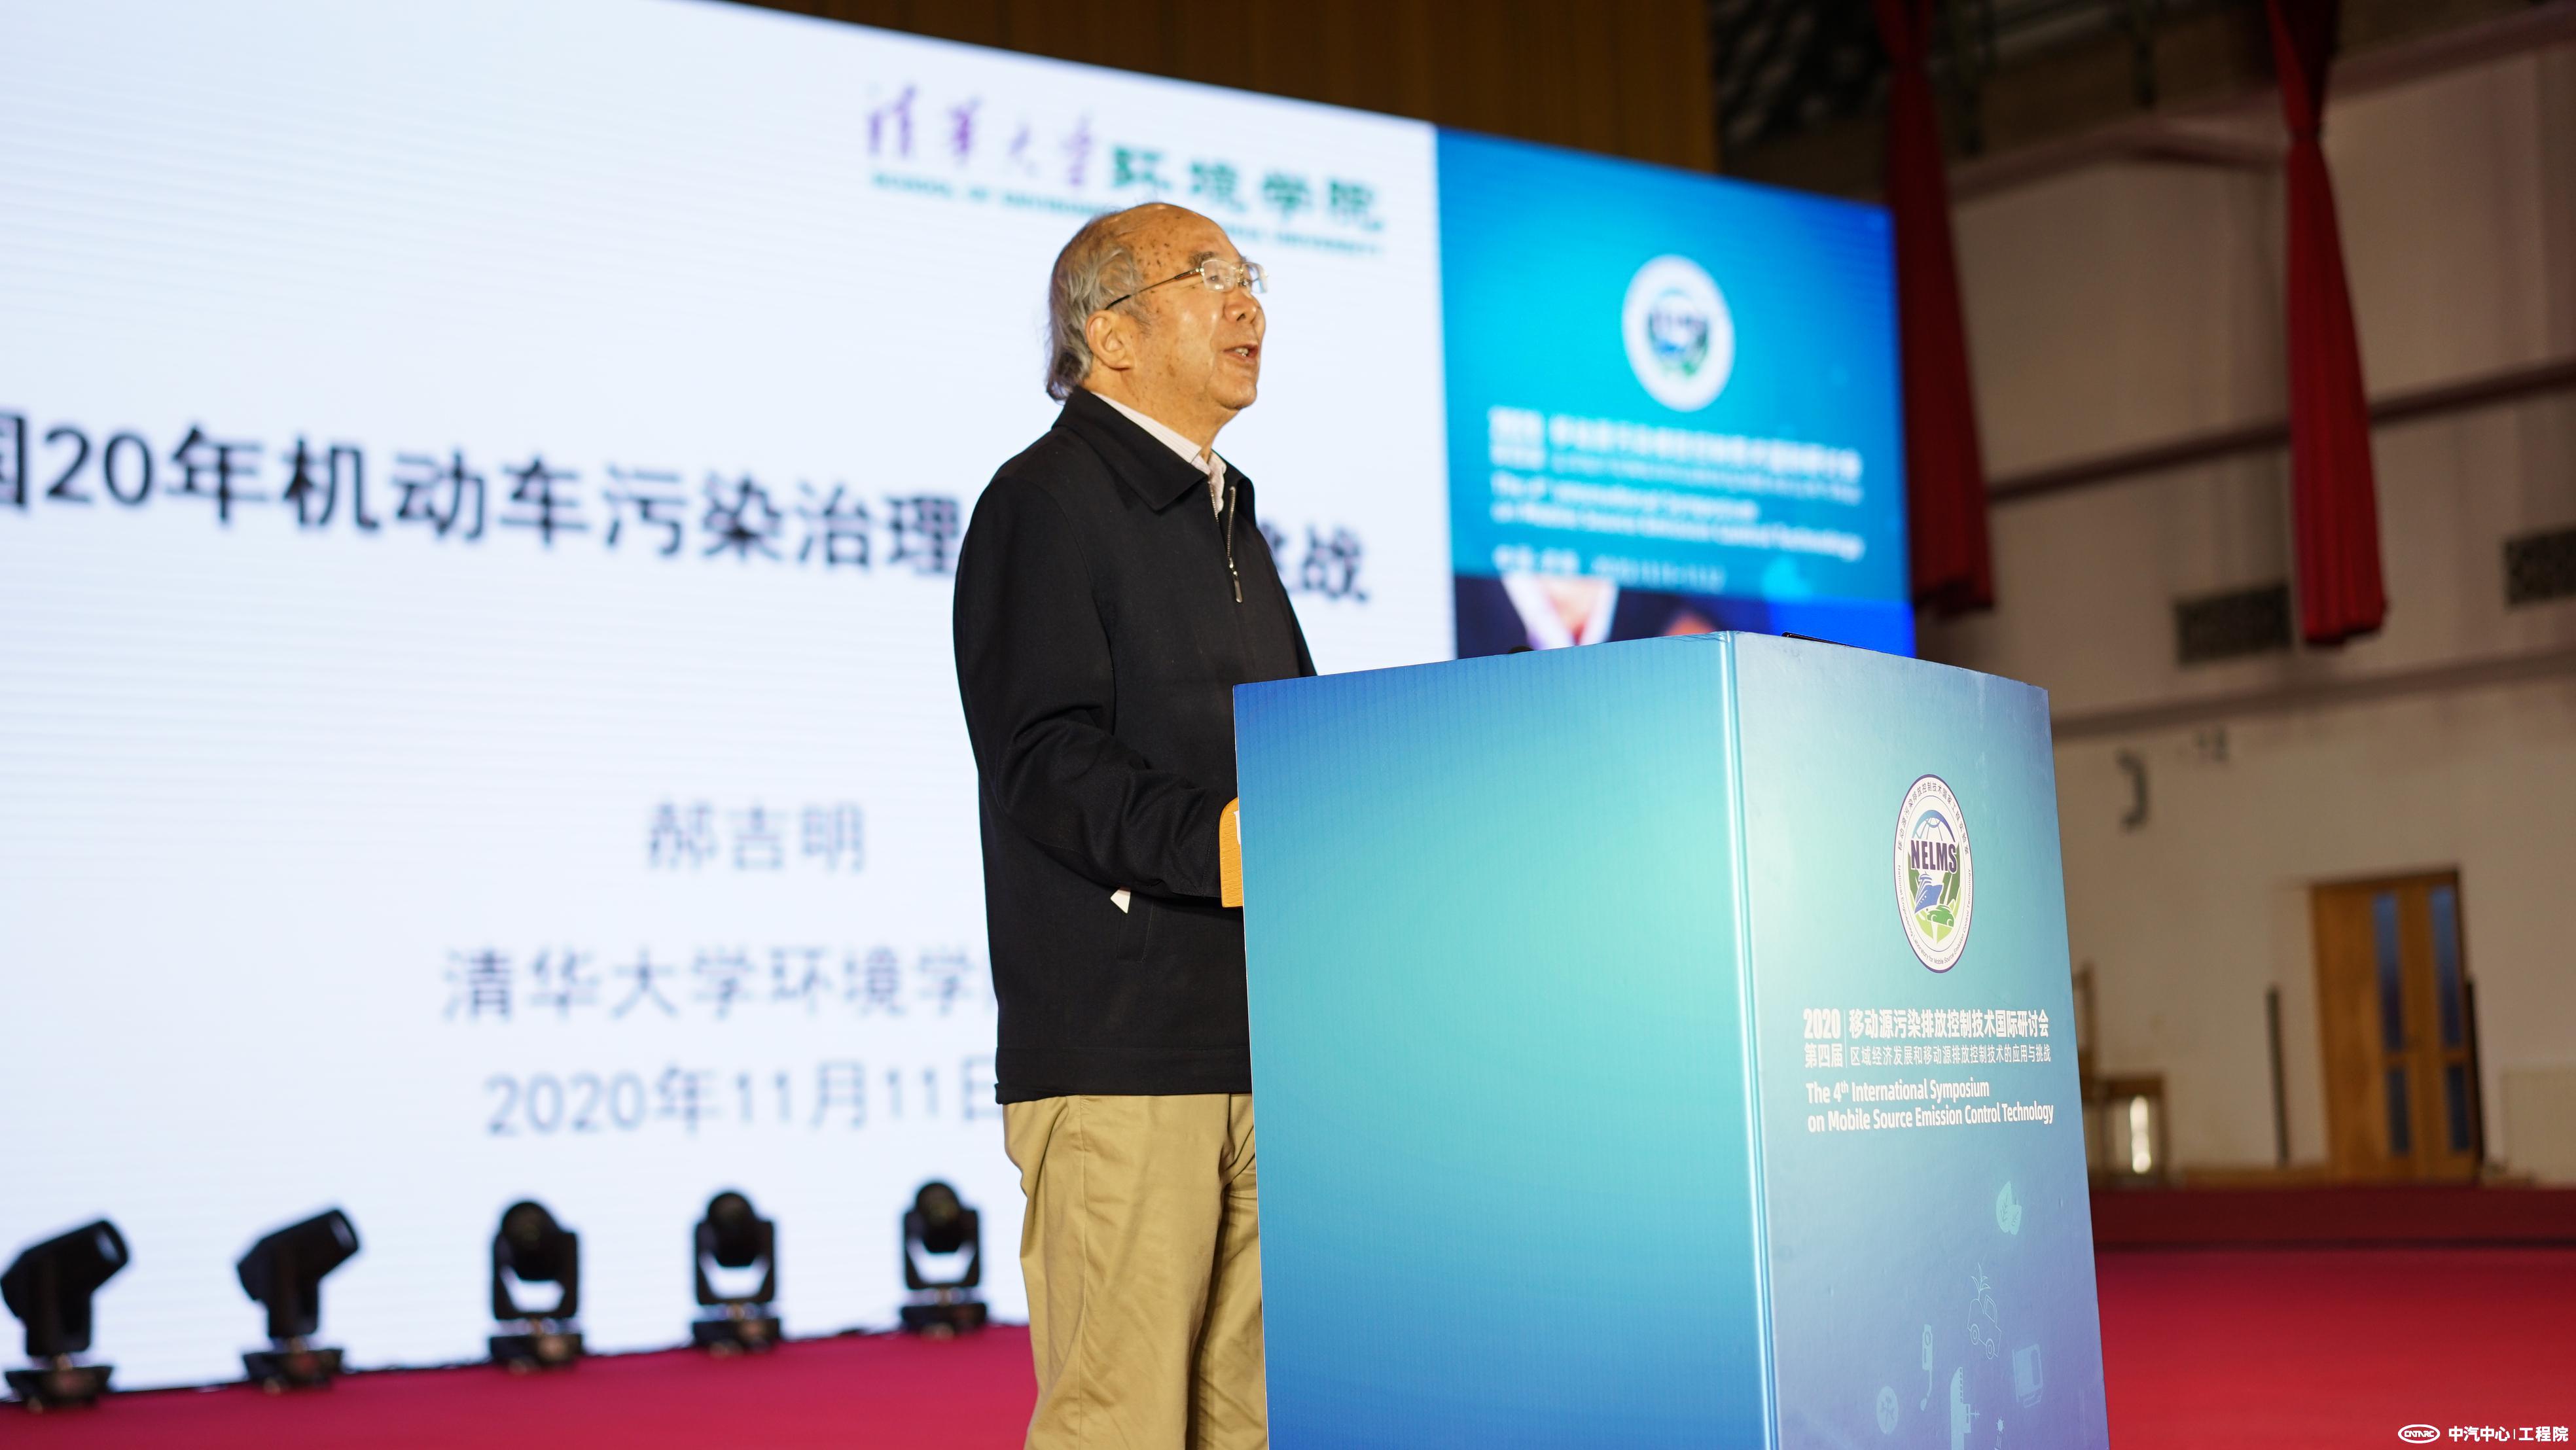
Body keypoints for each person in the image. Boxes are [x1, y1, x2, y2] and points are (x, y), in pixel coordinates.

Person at [951, 201, 1310, 1449]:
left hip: (1264, 1043)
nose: (1246, 303)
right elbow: (1043, 757)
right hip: (1120, 1055)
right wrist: (1224, 844)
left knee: (1249, 1425)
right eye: (1208, 276)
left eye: (1248, 275)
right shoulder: (1043, 501)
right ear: (1108, 333)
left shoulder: (1228, 514)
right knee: (1123, 1426)